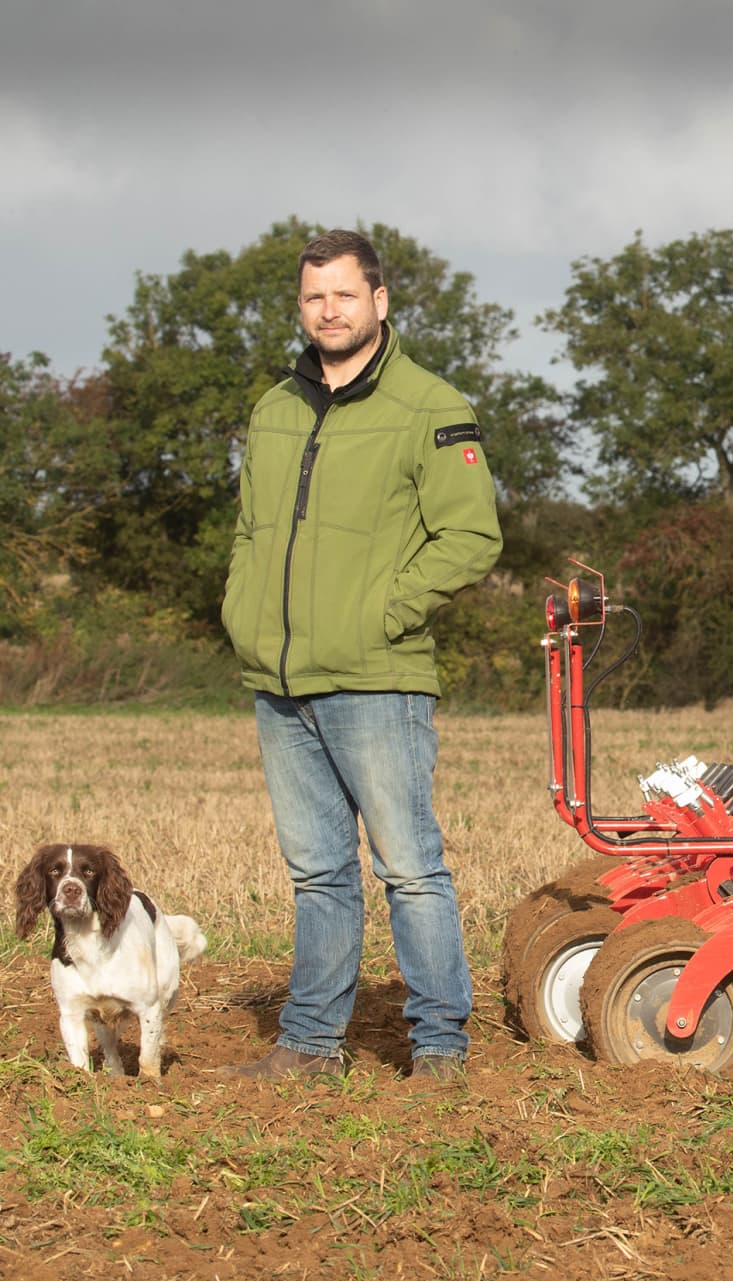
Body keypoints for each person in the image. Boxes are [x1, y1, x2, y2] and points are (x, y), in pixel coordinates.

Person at [219, 229, 502, 1081]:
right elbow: (249, 530)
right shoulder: (274, 408)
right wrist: (242, 612)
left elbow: (471, 536)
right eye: (314, 297)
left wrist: (386, 612)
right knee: (317, 873)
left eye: (344, 294)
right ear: (300, 308)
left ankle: (440, 1046)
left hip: (378, 678)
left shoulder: (431, 405)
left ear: (379, 302)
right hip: (279, 680)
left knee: (409, 868)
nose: (328, 310)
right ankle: (310, 1045)